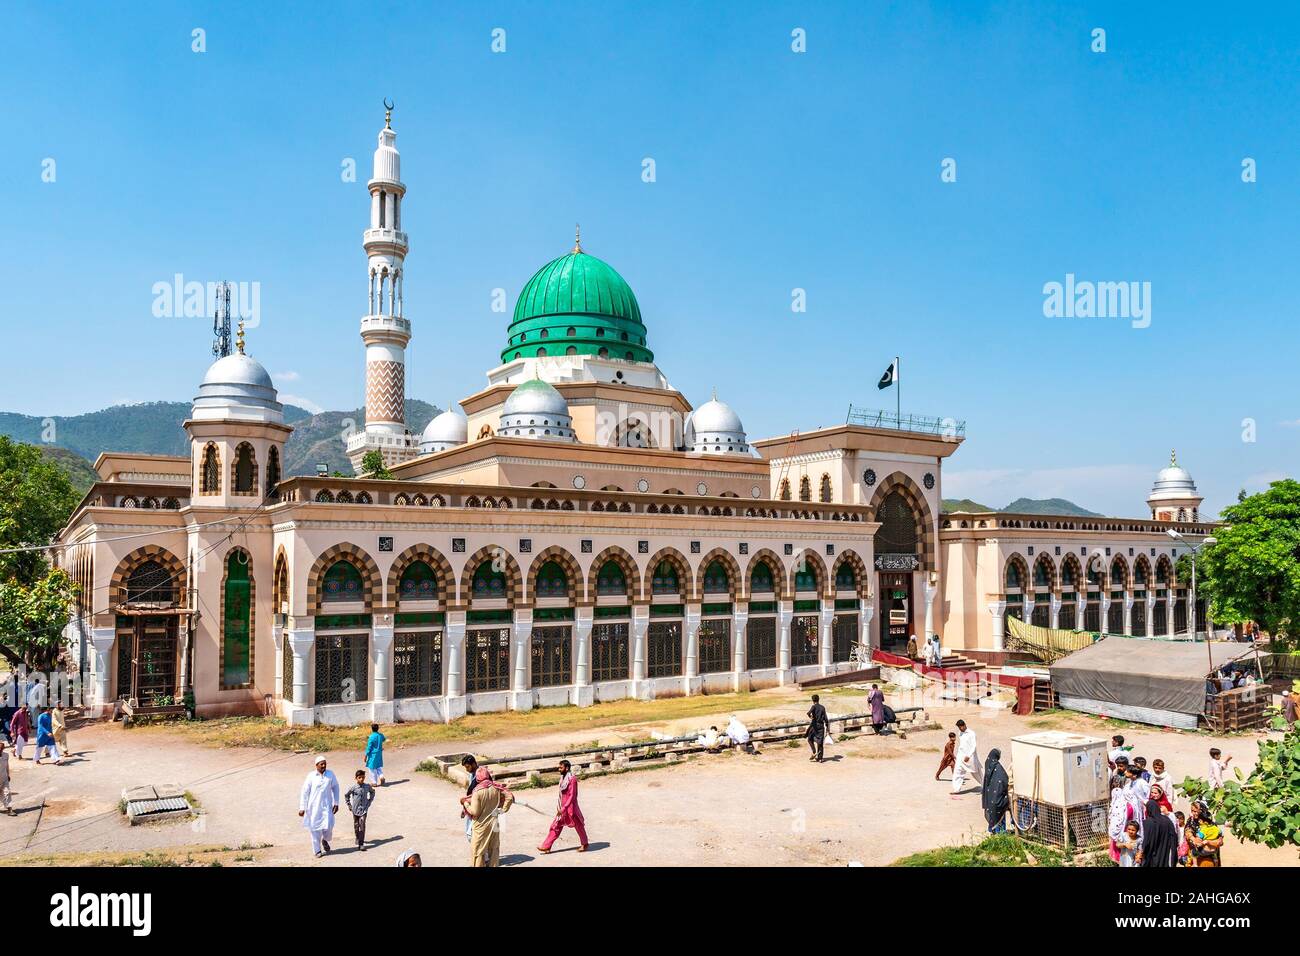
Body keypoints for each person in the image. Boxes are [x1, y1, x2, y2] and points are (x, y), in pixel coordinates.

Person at [462, 766, 514, 867]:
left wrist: (465, 804)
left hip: (481, 825)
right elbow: (509, 796)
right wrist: (503, 810)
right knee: (494, 849)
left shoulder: (477, 791)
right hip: (495, 823)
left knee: (478, 851)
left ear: (477, 778)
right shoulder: (496, 787)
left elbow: (475, 812)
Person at [538, 759, 588, 854]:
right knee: (555, 826)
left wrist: (564, 808)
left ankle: (584, 844)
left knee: (579, 826)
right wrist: (560, 807)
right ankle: (546, 846)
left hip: (571, 808)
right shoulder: (562, 779)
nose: (559, 769)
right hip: (562, 808)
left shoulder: (572, 779)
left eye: (561, 767)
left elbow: (572, 796)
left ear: (567, 768)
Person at [298, 755, 340, 858]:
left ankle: (325, 840)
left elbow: (336, 787)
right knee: (315, 830)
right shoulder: (311, 776)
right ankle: (317, 850)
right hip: (314, 808)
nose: (324, 765)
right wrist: (302, 807)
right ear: (316, 765)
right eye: (321, 764)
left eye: (325, 763)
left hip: (327, 807)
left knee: (329, 826)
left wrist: (336, 802)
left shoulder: (330, 774)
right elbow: (305, 792)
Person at [1136, 799, 1178, 867]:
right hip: (1165, 854)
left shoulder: (1147, 823)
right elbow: (1174, 837)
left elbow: (1146, 840)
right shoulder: (1167, 820)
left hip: (1151, 855)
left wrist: (1141, 851)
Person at [344, 769, 376, 851]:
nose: (361, 779)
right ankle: (357, 837)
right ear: (356, 778)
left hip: (364, 809)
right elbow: (346, 795)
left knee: (362, 825)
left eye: (363, 777)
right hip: (355, 810)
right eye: (359, 777)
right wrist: (349, 805)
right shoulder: (353, 787)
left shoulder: (367, 786)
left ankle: (361, 844)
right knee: (356, 825)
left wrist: (369, 801)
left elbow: (372, 792)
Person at [981, 748, 1010, 833]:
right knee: (999, 815)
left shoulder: (989, 765)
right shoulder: (998, 767)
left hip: (990, 798)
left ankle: (993, 831)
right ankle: (1000, 834)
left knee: (992, 814)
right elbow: (1003, 780)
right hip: (998, 798)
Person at [950, 719, 982, 795]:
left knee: (976, 773)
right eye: (958, 727)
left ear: (964, 725)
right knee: (957, 772)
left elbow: (973, 746)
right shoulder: (960, 733)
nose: (960, 729)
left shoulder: (971, 733)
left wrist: (968, 755)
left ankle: (985, 786)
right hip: (961, 756)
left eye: (960, 727)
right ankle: (956, 789)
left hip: (970, 757)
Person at [460, 755, 480, 841]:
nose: (466, 769)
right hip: (471, 807)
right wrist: (464, 809)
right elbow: (470, 794)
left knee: (472, 836)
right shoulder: (472, 775)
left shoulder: (481, 776)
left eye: (468, 767)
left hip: (479, 809)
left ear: (474, 764)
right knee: (470, 835)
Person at [805, 694, 830, 763]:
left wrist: (811, 717)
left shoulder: (813, 707)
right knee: (820, 743)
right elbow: (826, 719)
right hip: (821, 726)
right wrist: (827, 728)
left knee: (810, 739)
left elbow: (808, 713)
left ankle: (814, 751)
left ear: (813, 700)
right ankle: (820, 758)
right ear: (818, 699)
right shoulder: (822, 707)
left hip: (814, 726)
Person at [0, 740, 11, 816]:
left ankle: (9, 808)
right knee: (1, 794)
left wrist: (8, 774)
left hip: (4, 777)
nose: (0, 750)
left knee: (7, 792)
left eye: (2, 748)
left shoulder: (6, 755)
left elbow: (7, 765)